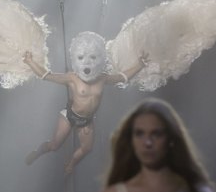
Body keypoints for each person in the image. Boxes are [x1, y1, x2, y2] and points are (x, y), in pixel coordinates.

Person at [23, 31, 146, 174]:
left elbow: (122, 77)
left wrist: (140, 65)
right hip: (69, 116)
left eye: (93, 57)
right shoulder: (72, 78)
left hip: (86, 121)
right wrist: (30, 61)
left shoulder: (103, 78)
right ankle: (38, 152)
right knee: (54, 146)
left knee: (87, 148)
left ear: (99, 59)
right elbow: (46, 76)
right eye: (81, 57)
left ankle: (71, 164)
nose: (87, 63)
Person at [98, 98, 216, 192]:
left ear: (171, 139)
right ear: (131, 140)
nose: (148, 143)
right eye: (139, 134)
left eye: (156, 134)